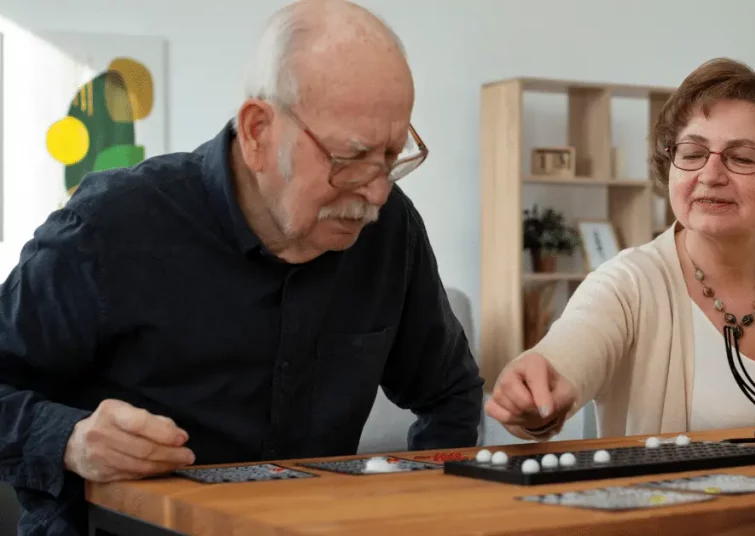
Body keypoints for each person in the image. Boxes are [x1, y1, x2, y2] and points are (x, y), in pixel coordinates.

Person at [0, 1, 484, 534]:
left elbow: (449, 395)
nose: (376, 192)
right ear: (257, 131)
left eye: (392, 156)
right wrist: (68, 438)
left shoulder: (391, 230)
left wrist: (423, 511)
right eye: (350, 158)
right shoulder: (107, 229)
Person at [486, 58, 755, 441]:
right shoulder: (628, 284)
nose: (710, 175)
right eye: (692, 154)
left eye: (741, 158)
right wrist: (534, 395)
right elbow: (567, 357)